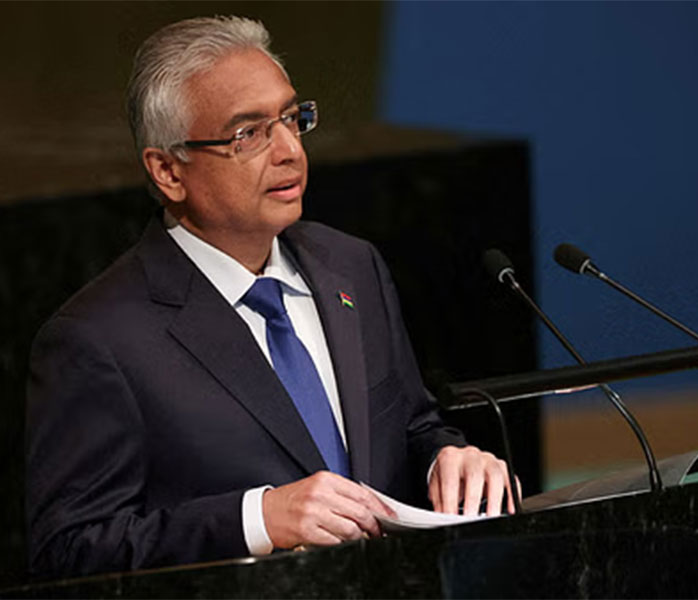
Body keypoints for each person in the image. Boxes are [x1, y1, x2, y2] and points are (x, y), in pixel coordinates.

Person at [26, 15, 514, 579]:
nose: (288, 150)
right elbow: (69, 550)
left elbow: (411, 427)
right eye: (248, 134)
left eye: (291, 118)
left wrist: (446, 460)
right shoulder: (98, 340)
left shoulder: (352, 266)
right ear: (168, 171)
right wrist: (257, 519)